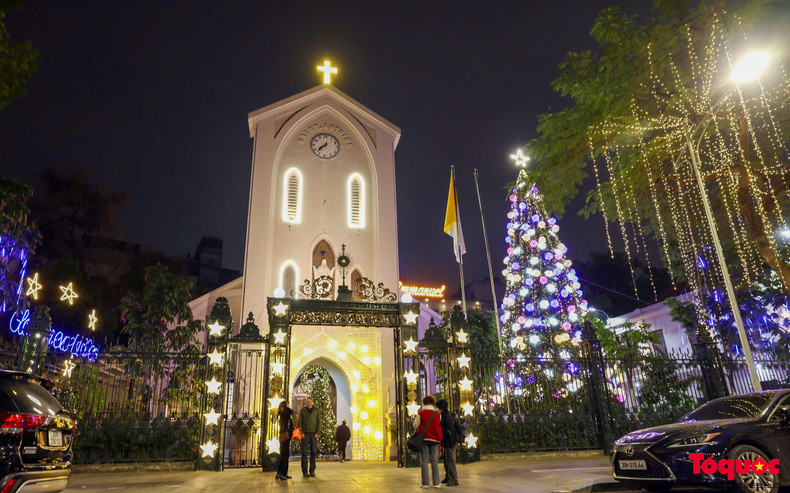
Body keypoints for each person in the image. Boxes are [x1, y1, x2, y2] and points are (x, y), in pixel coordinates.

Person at [413, 395, 442, 488]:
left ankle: (425, 483)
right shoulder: (437, 414)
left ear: (424, 403)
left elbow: (415, 425)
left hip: (424, 439)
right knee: (434, 461)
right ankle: (436, 483)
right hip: (435, 439)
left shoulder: (421, 413)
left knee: (424, 461)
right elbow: (438, 424)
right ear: (433, 403)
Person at [436, 399, 459, 486]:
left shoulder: (446, 416)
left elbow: (448, 431)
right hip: (446, 441)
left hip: (449, 441)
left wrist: (439, 427)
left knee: (450, 460)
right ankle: (448, 476)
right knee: (446, 460)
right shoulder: (445, 415)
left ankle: (454, 479)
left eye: (437, 407)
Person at [298, 397, 320, 478]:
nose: (308, 403)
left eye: (309, 402)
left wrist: (317, 432)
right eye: (307, 402)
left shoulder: (316, 410)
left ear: (312, 402)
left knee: (313, 452)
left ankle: (312, 470)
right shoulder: (303, 410)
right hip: (305, 434)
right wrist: (302, 432)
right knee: (304, 453)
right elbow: (300, 422)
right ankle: (304, 471)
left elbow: (319, 422)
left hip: (313, 434)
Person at [276, 401, 294, 481]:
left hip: (286, 435)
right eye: (287, 404)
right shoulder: (284, 414)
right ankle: (281, 473)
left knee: (285, 455)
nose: (289, 405)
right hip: (285, 436)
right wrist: (287, 431)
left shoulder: (286, 414)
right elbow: (284, 425)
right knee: (284, 455)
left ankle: (282, 472)